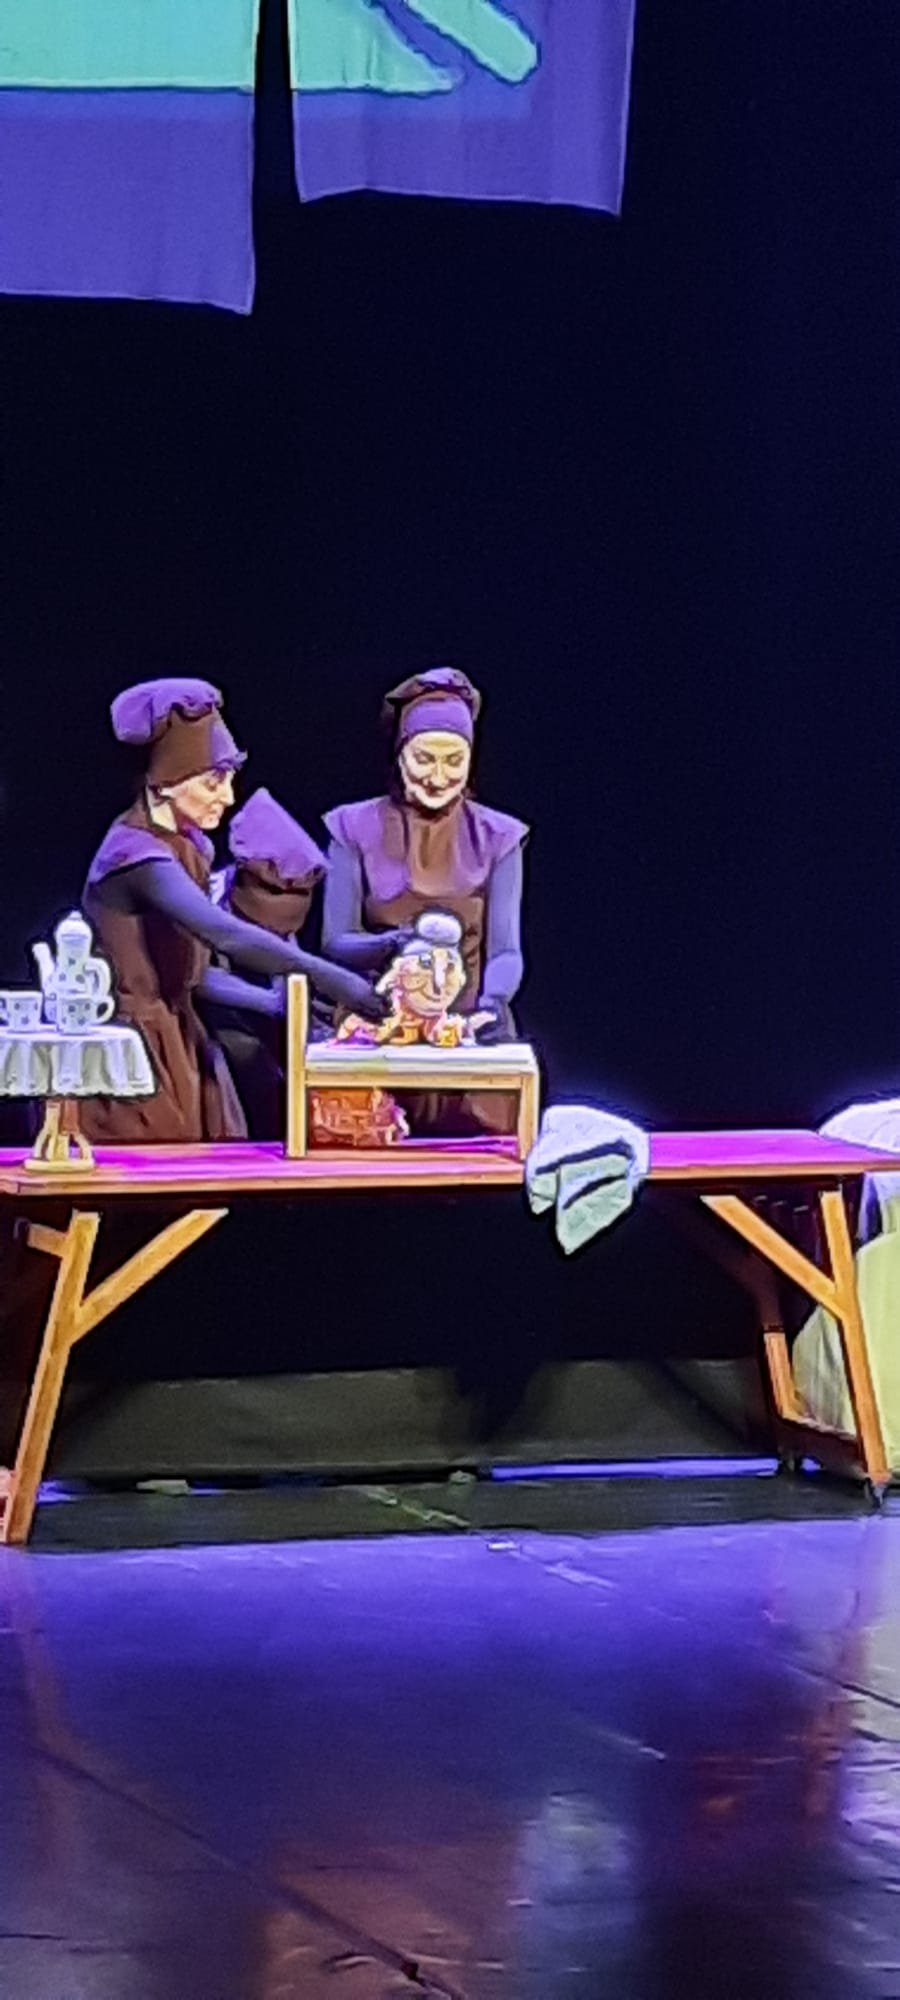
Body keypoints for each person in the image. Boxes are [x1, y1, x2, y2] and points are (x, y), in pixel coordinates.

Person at [81, 680, 383, 1143]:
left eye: (228, 778)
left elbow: (196, 973)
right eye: (212, 781)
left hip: (180, 1040)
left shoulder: (191, 845)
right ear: (164, 782)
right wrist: (330, 976)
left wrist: (274, 1002)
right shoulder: (135, 856)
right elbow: (223, 933)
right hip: (134, 1050)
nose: (227, 796)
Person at [320, 666, 528, 1136]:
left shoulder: (498, 836)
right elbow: (335, 941)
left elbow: (506, 949)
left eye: (454, 761)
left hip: (465, 1030)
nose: (438, 777)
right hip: (375, 1030)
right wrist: (392, 944)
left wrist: (493, 1003)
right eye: (424, 759)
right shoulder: (352, 827)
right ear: (400, 755)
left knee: (477, 1159)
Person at [204, 786, 330, 1138]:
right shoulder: (206, 898)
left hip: (264, 1012)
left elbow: (285, 960)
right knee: (244, 1054)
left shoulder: (292, 906)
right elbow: (194, 975)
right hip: (202, 1016)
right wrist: (270, 1002)